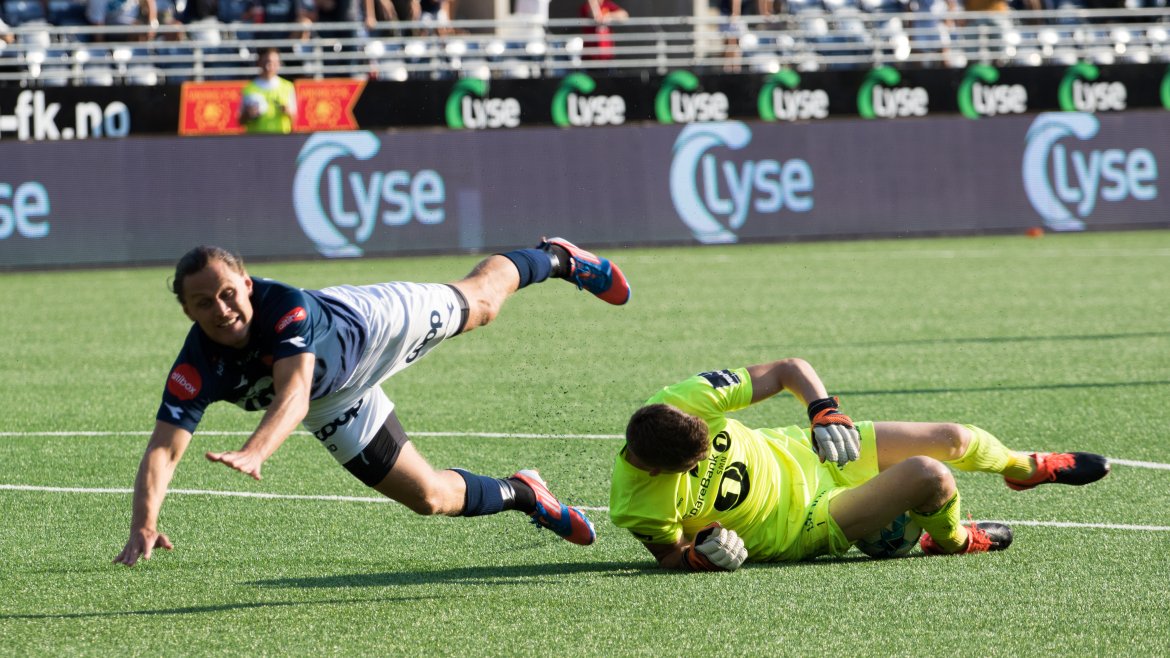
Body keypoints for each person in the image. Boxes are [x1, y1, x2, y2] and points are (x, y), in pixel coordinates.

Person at [114, 238, 631, 567]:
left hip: (374, 327)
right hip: (333, 398)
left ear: (246, 284)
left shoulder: (286, 309)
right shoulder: (195, 367)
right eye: (203, 303)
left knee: (484, 304)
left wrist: (257, 450)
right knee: (428, 498)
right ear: (187, 310)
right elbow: (164, 449)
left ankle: (560, 259)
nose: (222, 309)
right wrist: (143, 522)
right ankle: (524, 494)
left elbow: (293, 392)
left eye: (228, 292)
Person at [610, 358, 1110, 571]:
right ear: (655, 470)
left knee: (951, 439)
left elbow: (788, 370)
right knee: (930, 475)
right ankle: (955, 540)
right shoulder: (637, 504)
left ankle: (1026, 468)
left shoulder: (686, 398)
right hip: (800, 524)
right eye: (694, 464)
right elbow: (670, 556)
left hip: (809, 452)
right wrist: (700, 556)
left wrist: (822, 410)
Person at [239, 47, 297, 135]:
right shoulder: (249, 88)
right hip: (256, 140)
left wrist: (287, 111)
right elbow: (240, 121)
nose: (269, 66)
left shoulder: (287, 86)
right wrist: (248, 114)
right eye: (266, 62)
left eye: (273, 62)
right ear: (259, 63)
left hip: (281, 139)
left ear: (279, 64)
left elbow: (295, 118)